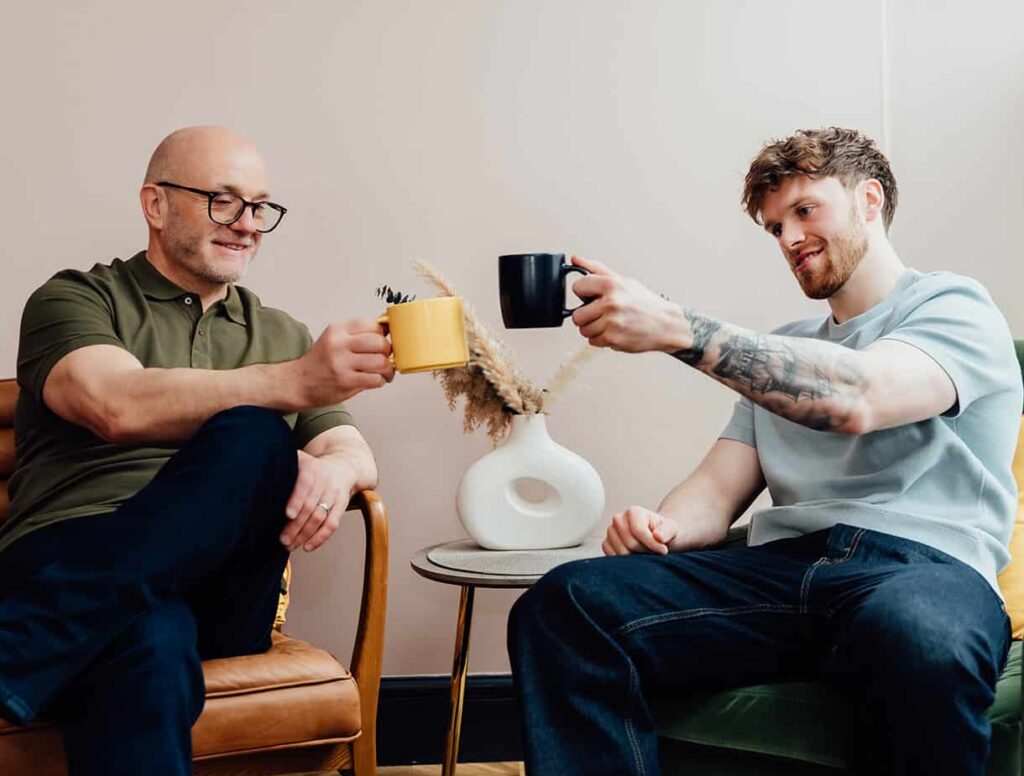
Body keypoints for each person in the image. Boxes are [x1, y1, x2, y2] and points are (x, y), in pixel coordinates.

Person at [508, 126, 1023, 775]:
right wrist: (664, 526)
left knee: (917, 634)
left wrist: (674, 327)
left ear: (869, 200)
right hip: (783, 575)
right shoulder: (782, 346)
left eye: (805, 211)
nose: (789, 239)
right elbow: (717, 492)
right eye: (776, 227)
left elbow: (855, 398)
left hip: (924, 573)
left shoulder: (953, 306)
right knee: (564, 605)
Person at [0, 126, 395, 775]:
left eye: (261, 207)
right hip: (66, 548)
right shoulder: (75, 298)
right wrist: (294, 380)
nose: (248, 225)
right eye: (223, 200)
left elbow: (350, 446)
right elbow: (114, 404)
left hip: (219, 591)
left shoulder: (279, 331)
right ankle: (52, 629)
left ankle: (21, 641)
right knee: (149, 639)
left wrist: (335, 469)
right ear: (155, 205)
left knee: (259, 434)